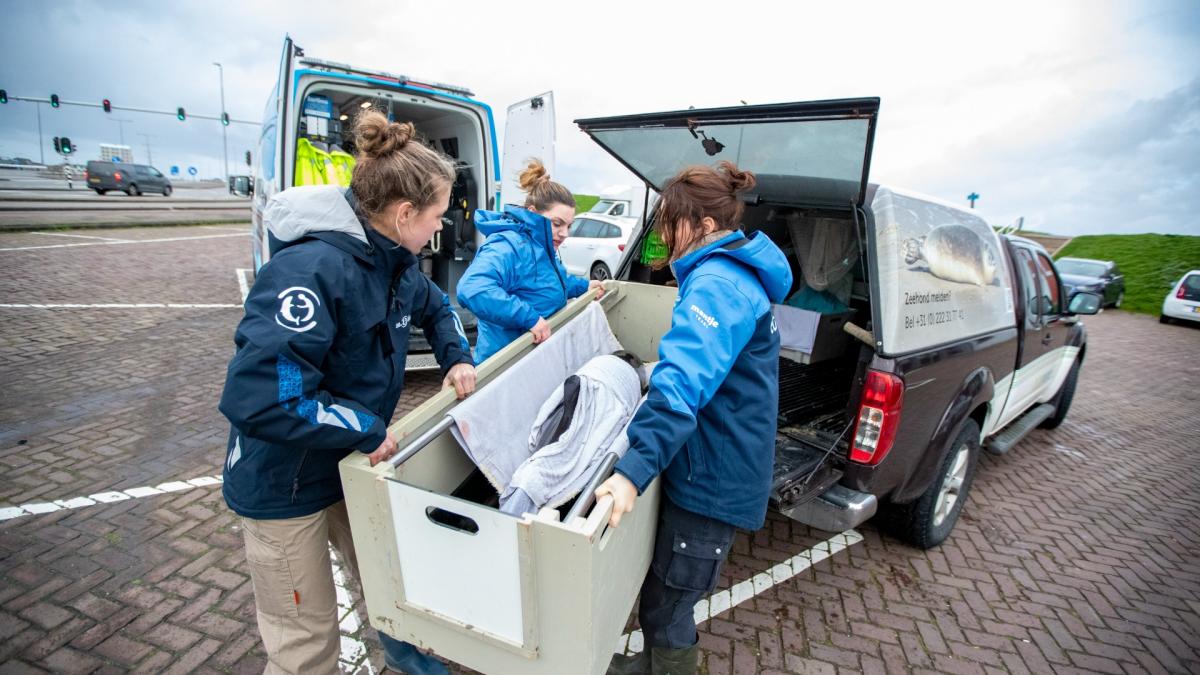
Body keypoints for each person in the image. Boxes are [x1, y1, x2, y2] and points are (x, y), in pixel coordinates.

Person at [219, 111, 476, 675]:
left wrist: (456, 357)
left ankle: (414, 663)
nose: (439, 231)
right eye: (436, 217)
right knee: (305, 642)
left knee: (387, 580)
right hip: (284, 485)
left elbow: (437, 308)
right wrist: (366, 428)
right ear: (405, 213)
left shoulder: (396, 264)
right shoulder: (310, 272)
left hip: (344, 463)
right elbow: (271, 397)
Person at [595, 161, 793, 675]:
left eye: (673, 221)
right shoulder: (727, 275)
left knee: (668, 607)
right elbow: (708, 366)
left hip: (715, 477)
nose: (663, 234)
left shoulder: (717, 285)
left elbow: (683, 388)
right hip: (714, 457)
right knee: (664, 595)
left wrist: (631, 472)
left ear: (704, 227)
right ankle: (651, 665)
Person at [456, 159, 603, 364]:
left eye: (569, 226)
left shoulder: (543, 246)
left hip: (531, 359)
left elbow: (549, 283)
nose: (564, 234)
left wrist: (584, 286)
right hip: (504, 363)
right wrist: (529, 318)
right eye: (557, 223)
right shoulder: (509, 245)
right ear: (533, 213)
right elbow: (473, 288)